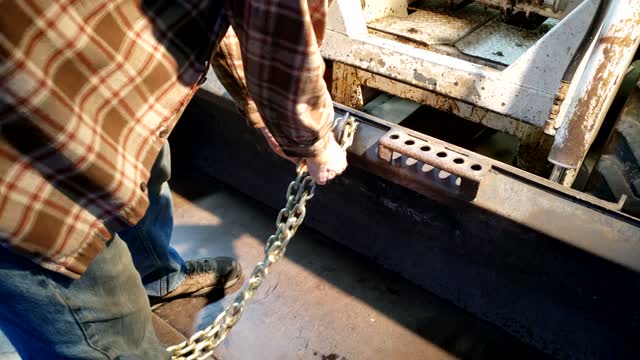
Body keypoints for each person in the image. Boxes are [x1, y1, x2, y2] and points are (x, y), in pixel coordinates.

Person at [0, 0, 347, 358]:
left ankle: (156, 274)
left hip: (61, 62)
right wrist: (315, 142)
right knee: (97, 330)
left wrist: (258, 108)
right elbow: (280, 23)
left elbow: (233, 17)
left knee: (145, 158)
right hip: (20, 164)